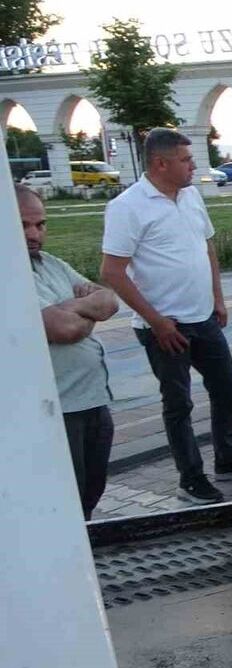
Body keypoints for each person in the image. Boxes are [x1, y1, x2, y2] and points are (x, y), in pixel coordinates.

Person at [100, 128, 232, 505]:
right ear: (160, 163)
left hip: (203, 318)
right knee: (178, 404)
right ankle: (191, 479)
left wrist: (218, 298)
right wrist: (156, 322)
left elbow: (207, 248)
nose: (193, 166)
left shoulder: (190, 196)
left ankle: (227, 457)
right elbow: (112, 272)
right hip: (164, 327)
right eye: (186, 160)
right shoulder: (127, 207)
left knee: (227, 388)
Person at [21, 184, 118, 519]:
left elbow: (108, 301)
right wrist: (84, 310)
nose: (34, 234)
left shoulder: (50, 263)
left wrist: (70, 308)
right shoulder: (9, 274)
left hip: (93, 400)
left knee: (91, 490)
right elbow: (64, 329)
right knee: (66, 502)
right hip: (57, 409)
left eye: (40, 224)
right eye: (23, 225)